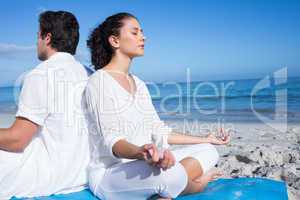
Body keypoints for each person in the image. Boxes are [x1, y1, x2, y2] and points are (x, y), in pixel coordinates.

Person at [85, 12, 230, 200]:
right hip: (111, 174)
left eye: (142, 33)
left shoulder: (138, 83)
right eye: (135, 33)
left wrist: (205, 138)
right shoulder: (99, 82)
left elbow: (158, 130)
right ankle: (197, 185)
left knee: (208, 150)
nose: (143, 37)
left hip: (147, 164)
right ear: (115, 41)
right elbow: (111, 141)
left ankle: (162, 190)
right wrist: (141, 152)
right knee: (173, 174)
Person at [0, 11, 90, 199]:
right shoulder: (89, 73)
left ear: (47, 38)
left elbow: (18, 140)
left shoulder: (40, 74)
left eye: (38, 36)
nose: (36, 43)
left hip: (50, 175)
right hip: (82, 174)